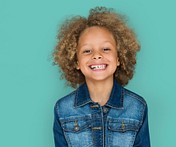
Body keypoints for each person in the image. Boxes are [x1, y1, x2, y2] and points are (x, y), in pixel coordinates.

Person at [52, 6, 150, 147]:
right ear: (76, 62)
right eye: (87, 50)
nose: (97, 55)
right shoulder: (63, 109)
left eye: (106, 49)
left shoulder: (137, 107)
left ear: (119, 58)